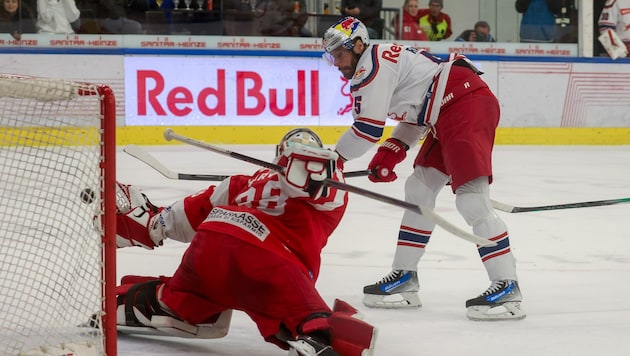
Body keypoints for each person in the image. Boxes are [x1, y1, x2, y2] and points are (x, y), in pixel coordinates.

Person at [322, 17, 525, 321]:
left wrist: (334, 161)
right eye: (332, 56)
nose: (336, 62)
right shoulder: (380, 60)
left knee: (472, 199)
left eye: (340, 54)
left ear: (359, 45)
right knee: (419, 188)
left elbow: (367, 128)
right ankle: (405, 277)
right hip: (446, 109)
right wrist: (393, 150)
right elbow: (418, 108)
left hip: (464, 103)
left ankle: (508, 286)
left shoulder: (370, 66)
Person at [113, 128, 377, 356]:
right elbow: (327, 183)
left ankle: (120, 302)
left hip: (208, 249)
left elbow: (170, 222)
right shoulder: (333, 186)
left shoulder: (240, 183)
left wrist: (143, 222)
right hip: (267, 263)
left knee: (182, 298)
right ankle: (318, 337)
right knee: (307, 315)